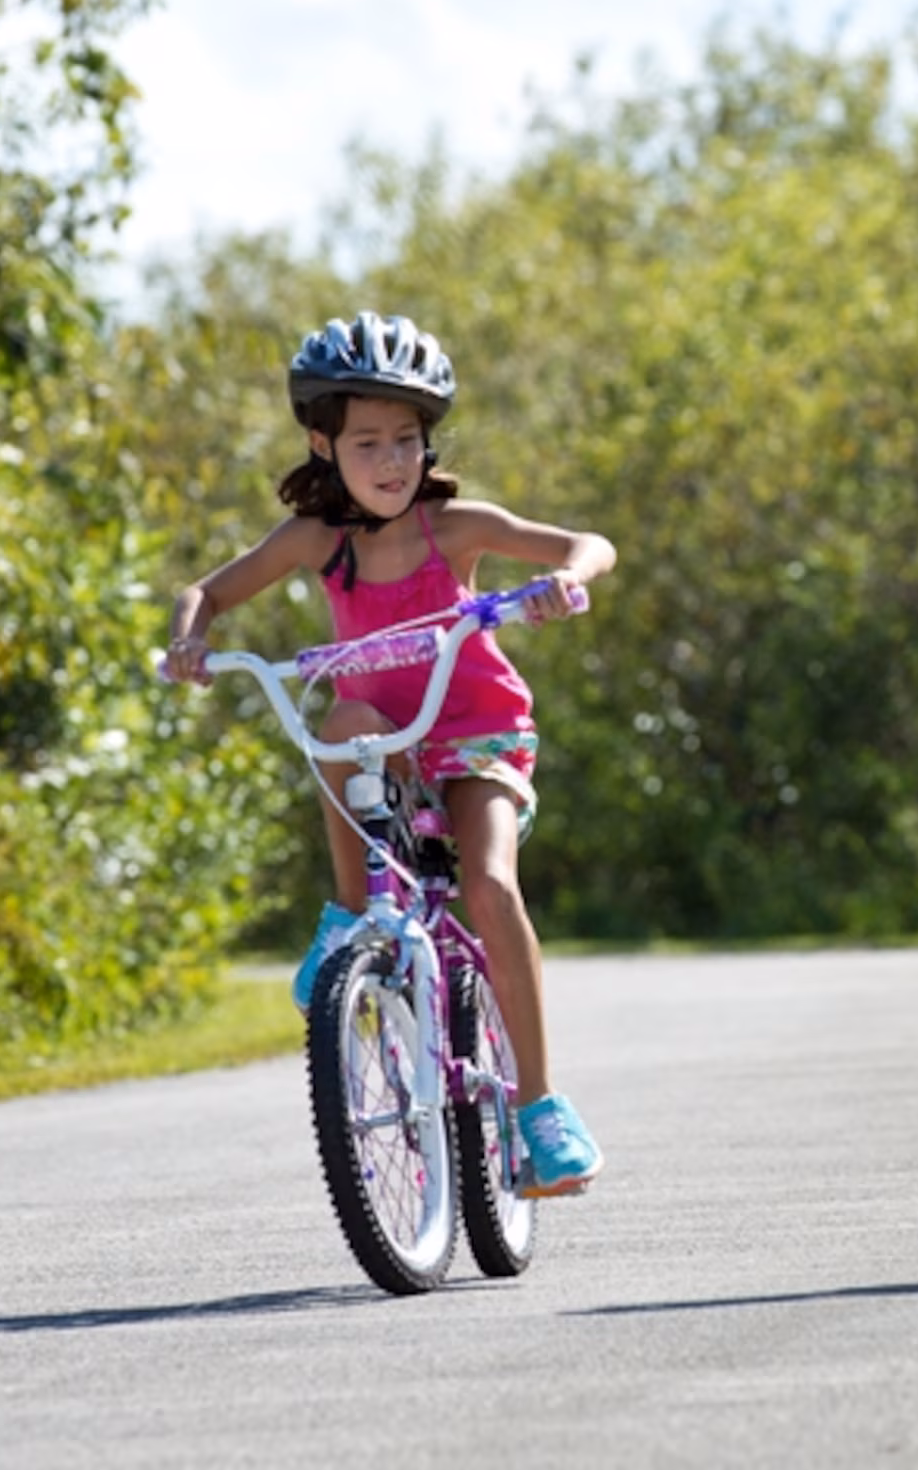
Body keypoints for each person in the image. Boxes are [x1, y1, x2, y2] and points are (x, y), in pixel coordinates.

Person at [163, 311, 616, 1198]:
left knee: (487, 885)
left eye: (407, 439)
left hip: (478, 736)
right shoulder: (314, 541)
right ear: (322, 443)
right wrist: (189, 642)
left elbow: (582, 543)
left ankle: (541, 1108)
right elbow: (204, 593)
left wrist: (569, 581)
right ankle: (346, 915)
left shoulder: (456, 528)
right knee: (339, 710)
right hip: (385, 749)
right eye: (366, 440)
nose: (391, 460)